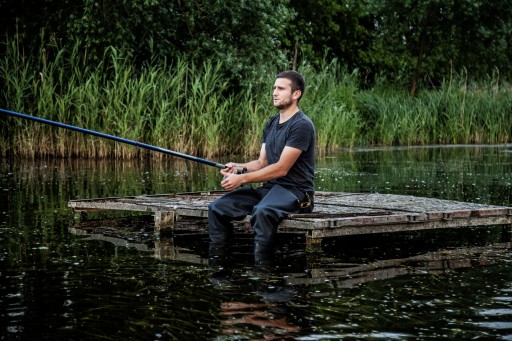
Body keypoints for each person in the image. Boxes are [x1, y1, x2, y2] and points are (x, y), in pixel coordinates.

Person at [208, 70, 316, 264]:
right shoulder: (272, 123)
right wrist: (238, 168)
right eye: (274, 88)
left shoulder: (302, 125)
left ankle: (263, 270)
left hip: (297, 193)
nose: (274, 92)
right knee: (218, 207)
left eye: (281, 88)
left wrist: (241, 179)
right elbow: (262, 163)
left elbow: (281, 168)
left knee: (262, 211)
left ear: (296, 94)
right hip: (270, 189)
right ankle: (220, 263)